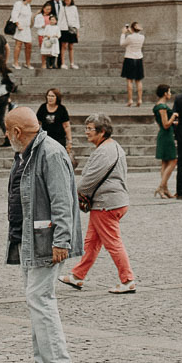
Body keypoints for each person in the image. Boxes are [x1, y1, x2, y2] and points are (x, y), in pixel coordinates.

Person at [4, 106, 83, 363]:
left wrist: (62, 240)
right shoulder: (27, 154)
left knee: (40, 298)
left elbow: (62, 200)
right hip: (29, 239)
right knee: (35, 299)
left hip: (47, 241)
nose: (5, 134)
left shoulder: (50, 152)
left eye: (6, 129)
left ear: (16, 131)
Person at [60, 115, 134, 293]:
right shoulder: (114, 146)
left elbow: (88, 180)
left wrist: (73, 192)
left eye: (90, 128)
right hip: (114, 200)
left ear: (101, 131)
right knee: (92, 241)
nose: (86, 132)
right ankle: (78, 275)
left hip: (106, 204)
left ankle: (128, 279)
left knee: (112, 243)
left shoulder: (103, 151)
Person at [152, 84, 177, 199]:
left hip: (164, 134)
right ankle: (161, 187)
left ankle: (165, 189)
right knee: (173, 160)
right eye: (169, 92)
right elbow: (165, 124)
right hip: (166, 136)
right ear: (165, 93)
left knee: (165, 162)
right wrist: (174, 116)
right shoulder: (162, 106)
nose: (170, 94)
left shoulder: (160, 105)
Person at [36, 88, 72, 156]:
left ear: (57, 98)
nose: (50, 98)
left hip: (59, 139)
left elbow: (66, 126)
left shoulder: (62, 109)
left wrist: (69, 141)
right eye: (49, 96)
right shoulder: (43, 108)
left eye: (52, 96)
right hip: (46, 139)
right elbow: (37, 123)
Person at [120, 22, 145, 107]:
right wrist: (131, 32)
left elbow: (122, 43)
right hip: (139, 58)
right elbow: (135, 37)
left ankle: (130, 99)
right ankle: (140, 99)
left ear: (132, 28)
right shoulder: (142, 37)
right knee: (139, 80)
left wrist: (123, 34)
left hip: (129, 58)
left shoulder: (129, 37)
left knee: (129, 80)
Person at [10, 0, 34, 70]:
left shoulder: (28, 6)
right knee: (18, 44)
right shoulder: (18, 4)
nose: (31, 0)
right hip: (20, 27)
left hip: (27, 28)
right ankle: (15, 62)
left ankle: (27, 63)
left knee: (28, 45)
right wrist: (18, 25)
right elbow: (14, 14)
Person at [35, 2, 61, 71]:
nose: (48, 11)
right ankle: (43, 63)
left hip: (52, 36)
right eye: (47, 9)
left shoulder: (52, 16)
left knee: (51, 50)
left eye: (49, 9)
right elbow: (35, 25)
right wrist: (41, 26)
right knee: (44, 49)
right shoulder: (39, 16)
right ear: (43, 9)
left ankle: (51, 64)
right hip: (42, 34)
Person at [59, 0, 81, 69]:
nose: (67, 2)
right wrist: (58, 30)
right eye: (65, 0)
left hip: (72, 28)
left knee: (71, 46)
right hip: (64, 28)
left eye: (68, 0)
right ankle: (63, 63)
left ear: (71, 0)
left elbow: (77, 19)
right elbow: (60, 19)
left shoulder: (74, 8)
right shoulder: (62, 8)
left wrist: (78, 31)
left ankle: (72, 63)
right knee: (63, 46)